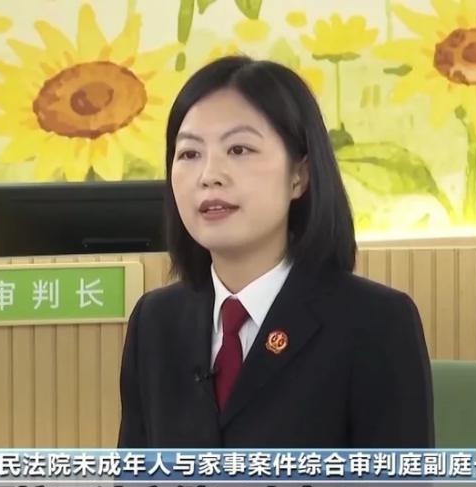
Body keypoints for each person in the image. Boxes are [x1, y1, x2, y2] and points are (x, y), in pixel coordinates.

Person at [118, 56, 434, 449]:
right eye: (189, 154)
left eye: (239, 149)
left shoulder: (375, 323)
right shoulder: (155, 323)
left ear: (299, 175)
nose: (209, 175)